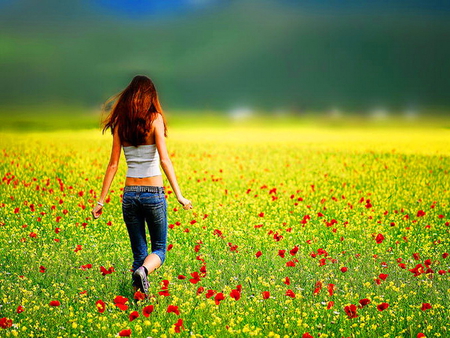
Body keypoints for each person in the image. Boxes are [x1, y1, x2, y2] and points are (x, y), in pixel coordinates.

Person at [91, 75, 192, 294]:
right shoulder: (155, 119)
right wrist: (179, 196)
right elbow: (165, 160)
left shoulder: (120, 123)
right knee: (159, 250)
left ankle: (139, 295)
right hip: (153, 193)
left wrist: (100, 201)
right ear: (150, 97)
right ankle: (144, 272)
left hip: (130, 195)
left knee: (139, 253)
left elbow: (113, 165)